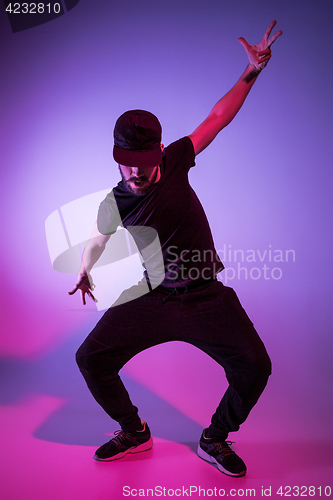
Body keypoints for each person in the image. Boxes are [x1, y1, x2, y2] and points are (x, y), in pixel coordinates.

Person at [69, 21, 282, 477]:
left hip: (206, 296)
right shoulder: (116, 199)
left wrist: (251, 71)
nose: (136, 173)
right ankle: (134, 431)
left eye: (144, 163)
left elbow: (218, 117)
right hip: (154, 297)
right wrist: (85, 270)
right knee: (90, 357)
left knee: (256, 367)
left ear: (159, 152)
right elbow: (99, 235)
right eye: (127, 163)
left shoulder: (177, 159)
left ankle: (215, 438)